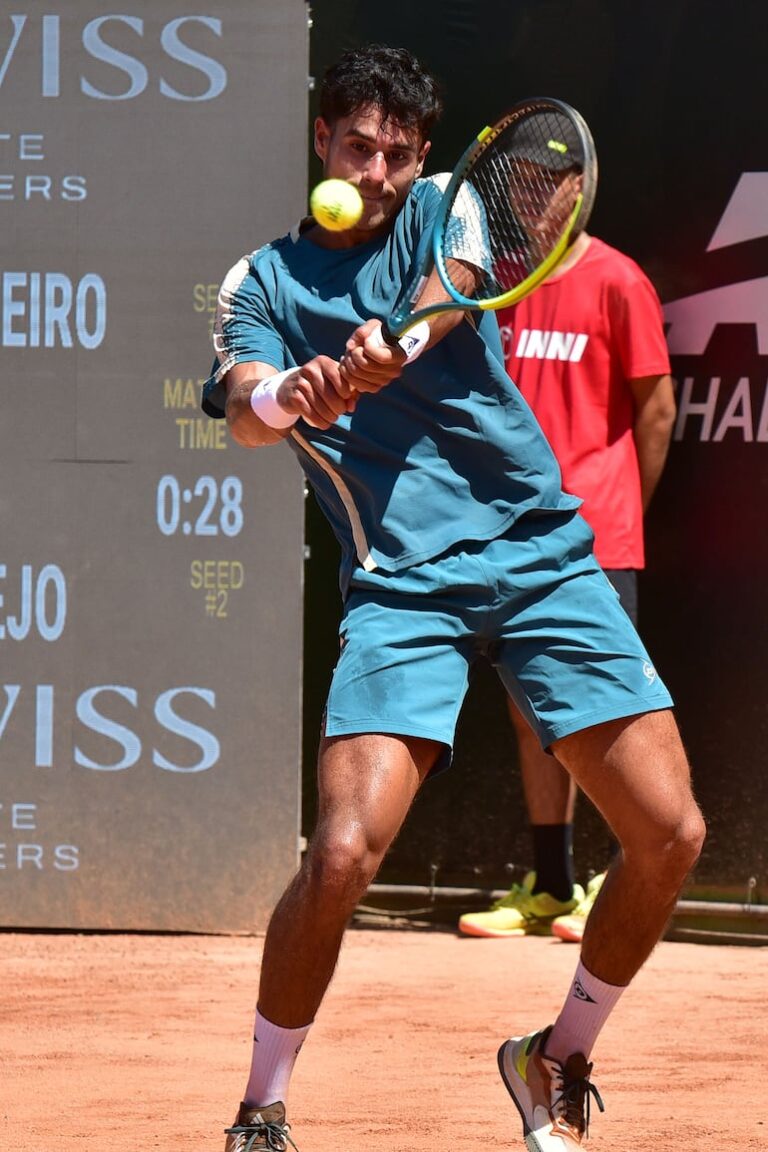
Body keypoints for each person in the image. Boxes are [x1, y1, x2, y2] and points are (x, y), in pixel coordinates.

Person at [202, 44, 704, 1152]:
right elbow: (240, 404)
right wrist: (293, 389)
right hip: (401, 589)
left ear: (421, 156)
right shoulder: (263, 282)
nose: (374, 172)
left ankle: (556, 1058)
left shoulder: (450, 208)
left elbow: (452, 293)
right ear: (319, 143)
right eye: (354, 146)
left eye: (394, 152)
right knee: (339, 853)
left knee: (670, 834)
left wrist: (396, 342)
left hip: (540, 554)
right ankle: (260, 1107)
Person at [458, 213, 677, 944]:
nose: (539, 197)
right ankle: (553, 888)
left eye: (554, 180)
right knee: (531, 713)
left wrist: (619, 515)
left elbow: (657, 409)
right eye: (526, 183)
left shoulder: (619, 279)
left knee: (605, 715)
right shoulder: (498, 287)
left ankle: (614, 886)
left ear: (580, 187)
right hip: (514, 534)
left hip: (596, 534)